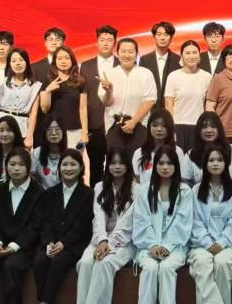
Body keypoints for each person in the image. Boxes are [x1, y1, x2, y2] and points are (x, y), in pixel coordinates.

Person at [0, 147, 45, 304]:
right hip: (0, 242)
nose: (16, 168)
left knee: (11, 266)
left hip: (24, 246)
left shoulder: (39, 192)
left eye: (21, 164)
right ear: (6, 167)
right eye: (12, 164)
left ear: (28, 167)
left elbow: (35, 226)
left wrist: (14, 246)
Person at [75, 147, 137, 304]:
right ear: (107, 165)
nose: (117, 167)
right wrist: (102, 240)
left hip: (124, 242)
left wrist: (109, 243)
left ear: (128, 165)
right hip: (99, 239)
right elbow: (98, 217)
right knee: (85, 263)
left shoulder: (137, 190)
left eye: (121, 163)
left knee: (103, 263)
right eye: (113, 163)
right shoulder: (99, 187)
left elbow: (127, 224)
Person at [132, 144, 192, 304]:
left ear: (176, 166)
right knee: (150, 268)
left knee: (166, 268)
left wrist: (167, 246)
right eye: (161, 163)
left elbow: (183, 223)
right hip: (148, 245)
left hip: (176, 246)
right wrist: (152, 245)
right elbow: (141, 220)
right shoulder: (145, 190)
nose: (165, 167)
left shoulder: (185, 191)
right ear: (155, 165)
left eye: (169, 163)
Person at [32, 150, 93, 304]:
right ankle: (41, 299)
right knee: (39, 260)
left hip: (74, 245)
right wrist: (49, 242)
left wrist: (64, 243)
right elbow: (46, 222)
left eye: (73, 164)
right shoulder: (50, 193)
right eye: (64, 164)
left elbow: (82, 225)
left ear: (81, 167)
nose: (68, 168)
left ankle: (46, 301)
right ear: (59, 168)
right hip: (52, 243)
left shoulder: (88, 194)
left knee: (58, 261)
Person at [188, 145, 232, 304]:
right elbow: (195, 221)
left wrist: (221, 243)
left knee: (221, 262)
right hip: (201, 245)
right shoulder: (196, 190)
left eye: (219, 160)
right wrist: (208, 243)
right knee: (202, 262)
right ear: (205, 164)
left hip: (229, 245)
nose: (215, 163)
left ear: (226, 163)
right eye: (211, 160)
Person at [100, 38, 156, 155]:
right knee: (115, 161)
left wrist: (133, 121)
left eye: (130, 51)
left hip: (139, 125)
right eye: (123, 51)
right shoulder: (109, 73)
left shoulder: (146, 73)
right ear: (117, 53)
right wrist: (108, 91)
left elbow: (150, 100)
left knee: (137, 161)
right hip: (115, 125)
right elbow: (106, 103)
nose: (126, 55)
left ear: (136, 53)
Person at [80, 25, 118, 186]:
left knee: (116, 166)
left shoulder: (122, 64)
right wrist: (84, 128)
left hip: (117, 124)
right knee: (95, 169)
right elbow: (83, 97)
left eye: (109, 40)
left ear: (115, 43)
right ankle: (96, 198)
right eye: (102, 39)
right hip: (94, 124)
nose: (106, 43)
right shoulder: (86, 65)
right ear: (97, 42)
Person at [38, 45, 89, 160]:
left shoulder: (80, 81)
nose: (63, 61)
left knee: (74, 162)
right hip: (55, 131)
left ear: (72, 60)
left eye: (66, 58)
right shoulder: (48, 80)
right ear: (55, 61)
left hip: (75, 130)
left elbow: (83, 108)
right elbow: (44, 109)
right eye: (60, 58)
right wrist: (48, 91)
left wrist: (85, 132)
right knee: (55, 163)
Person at [164, 39, 212, 152]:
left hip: (199, 126)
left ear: (199, 55)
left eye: (194, 52)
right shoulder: (173, 76)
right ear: (182, 56)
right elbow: (168, 104)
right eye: (187, 53)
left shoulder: (206, 76)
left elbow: (209, 105)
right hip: (178, 125)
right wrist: (171, 128)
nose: (191, 56)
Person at [0, 47, 42, 144]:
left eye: (21, 60)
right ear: (9, 64)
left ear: (27, 62)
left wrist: (29, 137)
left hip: (22, 128)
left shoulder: (35, 86)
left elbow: (33, 114)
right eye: (13, 61)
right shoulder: (2, 82)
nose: (18, 63)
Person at [184, 112, 232, 186]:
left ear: (219, 129)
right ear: (199, 130)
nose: (209, 130)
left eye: (213, 126)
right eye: (204, 127)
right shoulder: (190, 154)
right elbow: (185, 185)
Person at [133, 108, 186, 181]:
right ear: (149, 127)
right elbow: (136, 178)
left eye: (164, 126)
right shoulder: (139, 153)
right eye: (155, 125)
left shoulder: (177, 151)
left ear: (170, 128)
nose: (159, 129)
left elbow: (181, 177)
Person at [139, 22, 181, 107]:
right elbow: (141, 87)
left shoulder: (178, 60)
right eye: (159, 34)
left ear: (171, 38)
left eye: (166, 34)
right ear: (154, 37)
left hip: (171, 108)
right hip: (150, 108)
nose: (162, 38)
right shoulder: (144, 59)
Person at [32, 117, 67, 188]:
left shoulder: (69, 154)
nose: (53, 133)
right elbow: (32, 176)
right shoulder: (37, 153)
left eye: (57, 129)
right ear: (44, 132)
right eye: (49, 129)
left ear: (63, 131)